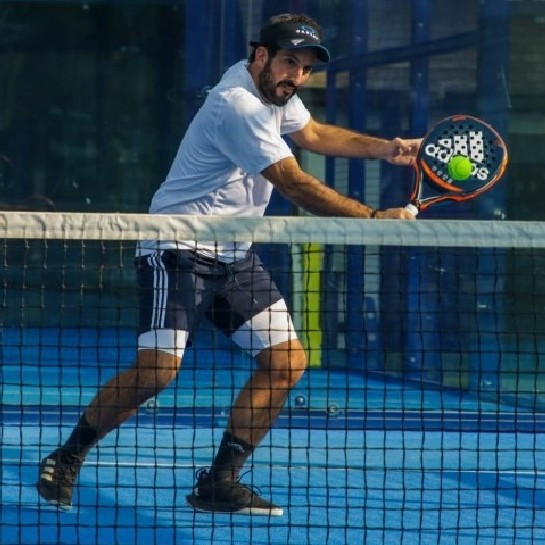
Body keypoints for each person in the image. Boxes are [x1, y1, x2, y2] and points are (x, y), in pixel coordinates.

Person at [37, 12, 420, 517]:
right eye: (289, 62)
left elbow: (314, 134)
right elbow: (294, 182)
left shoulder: (273, 90)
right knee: (157, 372)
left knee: (287, 363)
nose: (297, 76)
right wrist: (370, 218)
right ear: (261, 55)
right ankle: (66, 457)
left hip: (234, 255)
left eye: (305, 68)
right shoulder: (238, 105)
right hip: (177, 247)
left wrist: (387, 149)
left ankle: (219, 482)